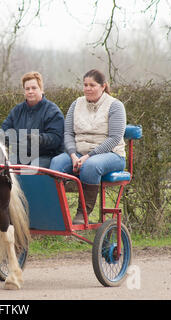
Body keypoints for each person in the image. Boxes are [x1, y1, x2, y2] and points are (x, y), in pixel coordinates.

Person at [49, 69, 126, 224]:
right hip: (78, 153)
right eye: (85, 85)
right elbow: (68, 133)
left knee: (90, 166)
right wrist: (72, 155)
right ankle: (56, 214)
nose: (87, 88)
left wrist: (88, 156)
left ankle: (82, 214)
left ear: (103, 86)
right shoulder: (76, 104)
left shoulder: (115, 106)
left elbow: (114, 138)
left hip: (111, 154)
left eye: (92, 85)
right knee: (56, 163)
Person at [1, 71, 64, 168]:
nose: (30, 91)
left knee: (33, 169)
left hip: (46, 156)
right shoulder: (17, 111)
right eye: (27, 89)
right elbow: (5, 130)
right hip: (21, 155)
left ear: (41, 90)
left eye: (34, 88)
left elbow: (56, 138)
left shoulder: (53, 111)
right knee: (5, 168)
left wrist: (38, 139)